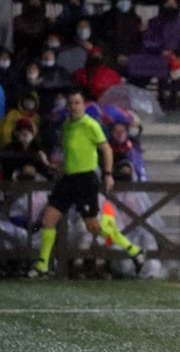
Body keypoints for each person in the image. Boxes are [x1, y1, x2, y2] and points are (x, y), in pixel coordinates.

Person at [28, 88, 146, 278]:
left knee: (93, 227)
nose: (73, 107)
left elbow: (106, 149)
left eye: (77, 103)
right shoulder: (67, 125)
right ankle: (43, 264)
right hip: (68, 178)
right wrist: (59, 167)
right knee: (49, 218)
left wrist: (107, 174)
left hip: (85, 179)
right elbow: (72, 152)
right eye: (71, 104)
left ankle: (134, 251)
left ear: (83, 105)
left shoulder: (90, 125)